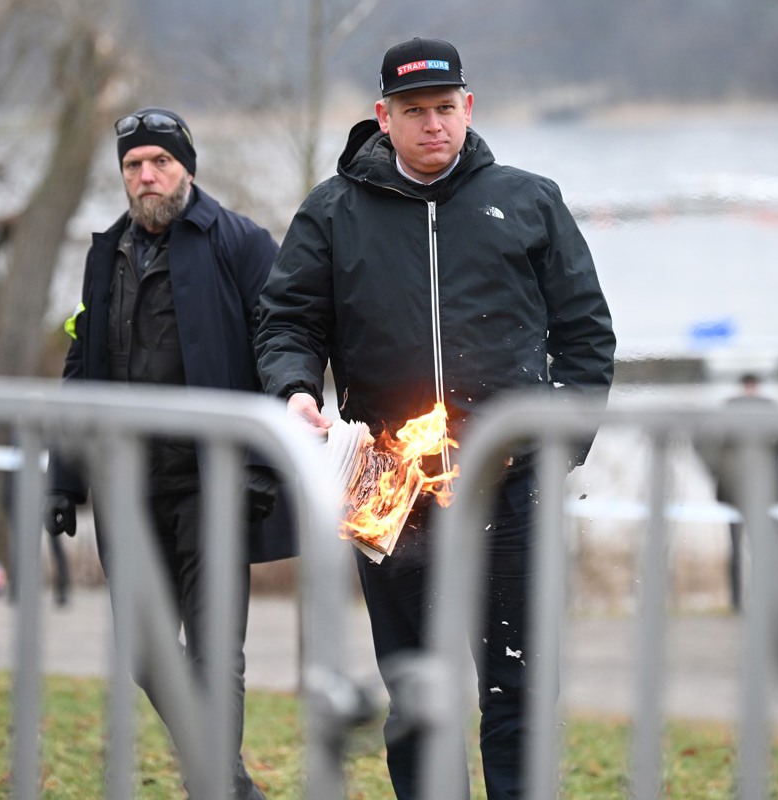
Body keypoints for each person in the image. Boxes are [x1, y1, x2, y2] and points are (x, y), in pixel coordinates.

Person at [254, 37, 615, 799]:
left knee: (518, 683)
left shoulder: (528, 200)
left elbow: (586, 336)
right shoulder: (331, 212)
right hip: (386, 486)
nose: (432, 126)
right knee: (417, 683)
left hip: (510, 482)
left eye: (445, 109)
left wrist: (561, 448)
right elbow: (286, 321)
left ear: (468, 108)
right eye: (413, 112)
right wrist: (294, 389)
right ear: (383, 117)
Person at [42, 107, 293, 800]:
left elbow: (281, 352)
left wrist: (264, 464)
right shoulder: (106, 252)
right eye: (133, 164)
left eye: (160, 161)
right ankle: (227, 779)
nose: (146, 175)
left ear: (188, 165)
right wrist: (62, 475)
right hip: (126, 487)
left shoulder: (242, 244)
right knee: (147, 654)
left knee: (216, 652)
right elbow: (80, 362)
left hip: (214, 484)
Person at [695, 372, 778, 611]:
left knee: (760, 548)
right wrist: (717, 471)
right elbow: (704, 441)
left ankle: (757, 600)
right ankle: (739, 601)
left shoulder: (762, 409)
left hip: (757, 490)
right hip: (739, 489)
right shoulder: (742, 409)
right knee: (742, 548)